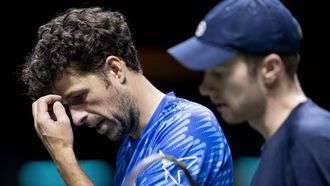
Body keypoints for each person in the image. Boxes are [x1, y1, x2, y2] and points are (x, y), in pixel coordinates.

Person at [19, 6, 234, 186]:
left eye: (79, 97)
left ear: (115, 69)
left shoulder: (191, 127)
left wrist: (63, 155)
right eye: (68, 105)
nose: (76, 118)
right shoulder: (129, 148)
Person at [167, 0, 330, 185]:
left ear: (270, 69)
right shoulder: (285, 146)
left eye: (220, 73)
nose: (205, 88)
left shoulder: (312, 140)